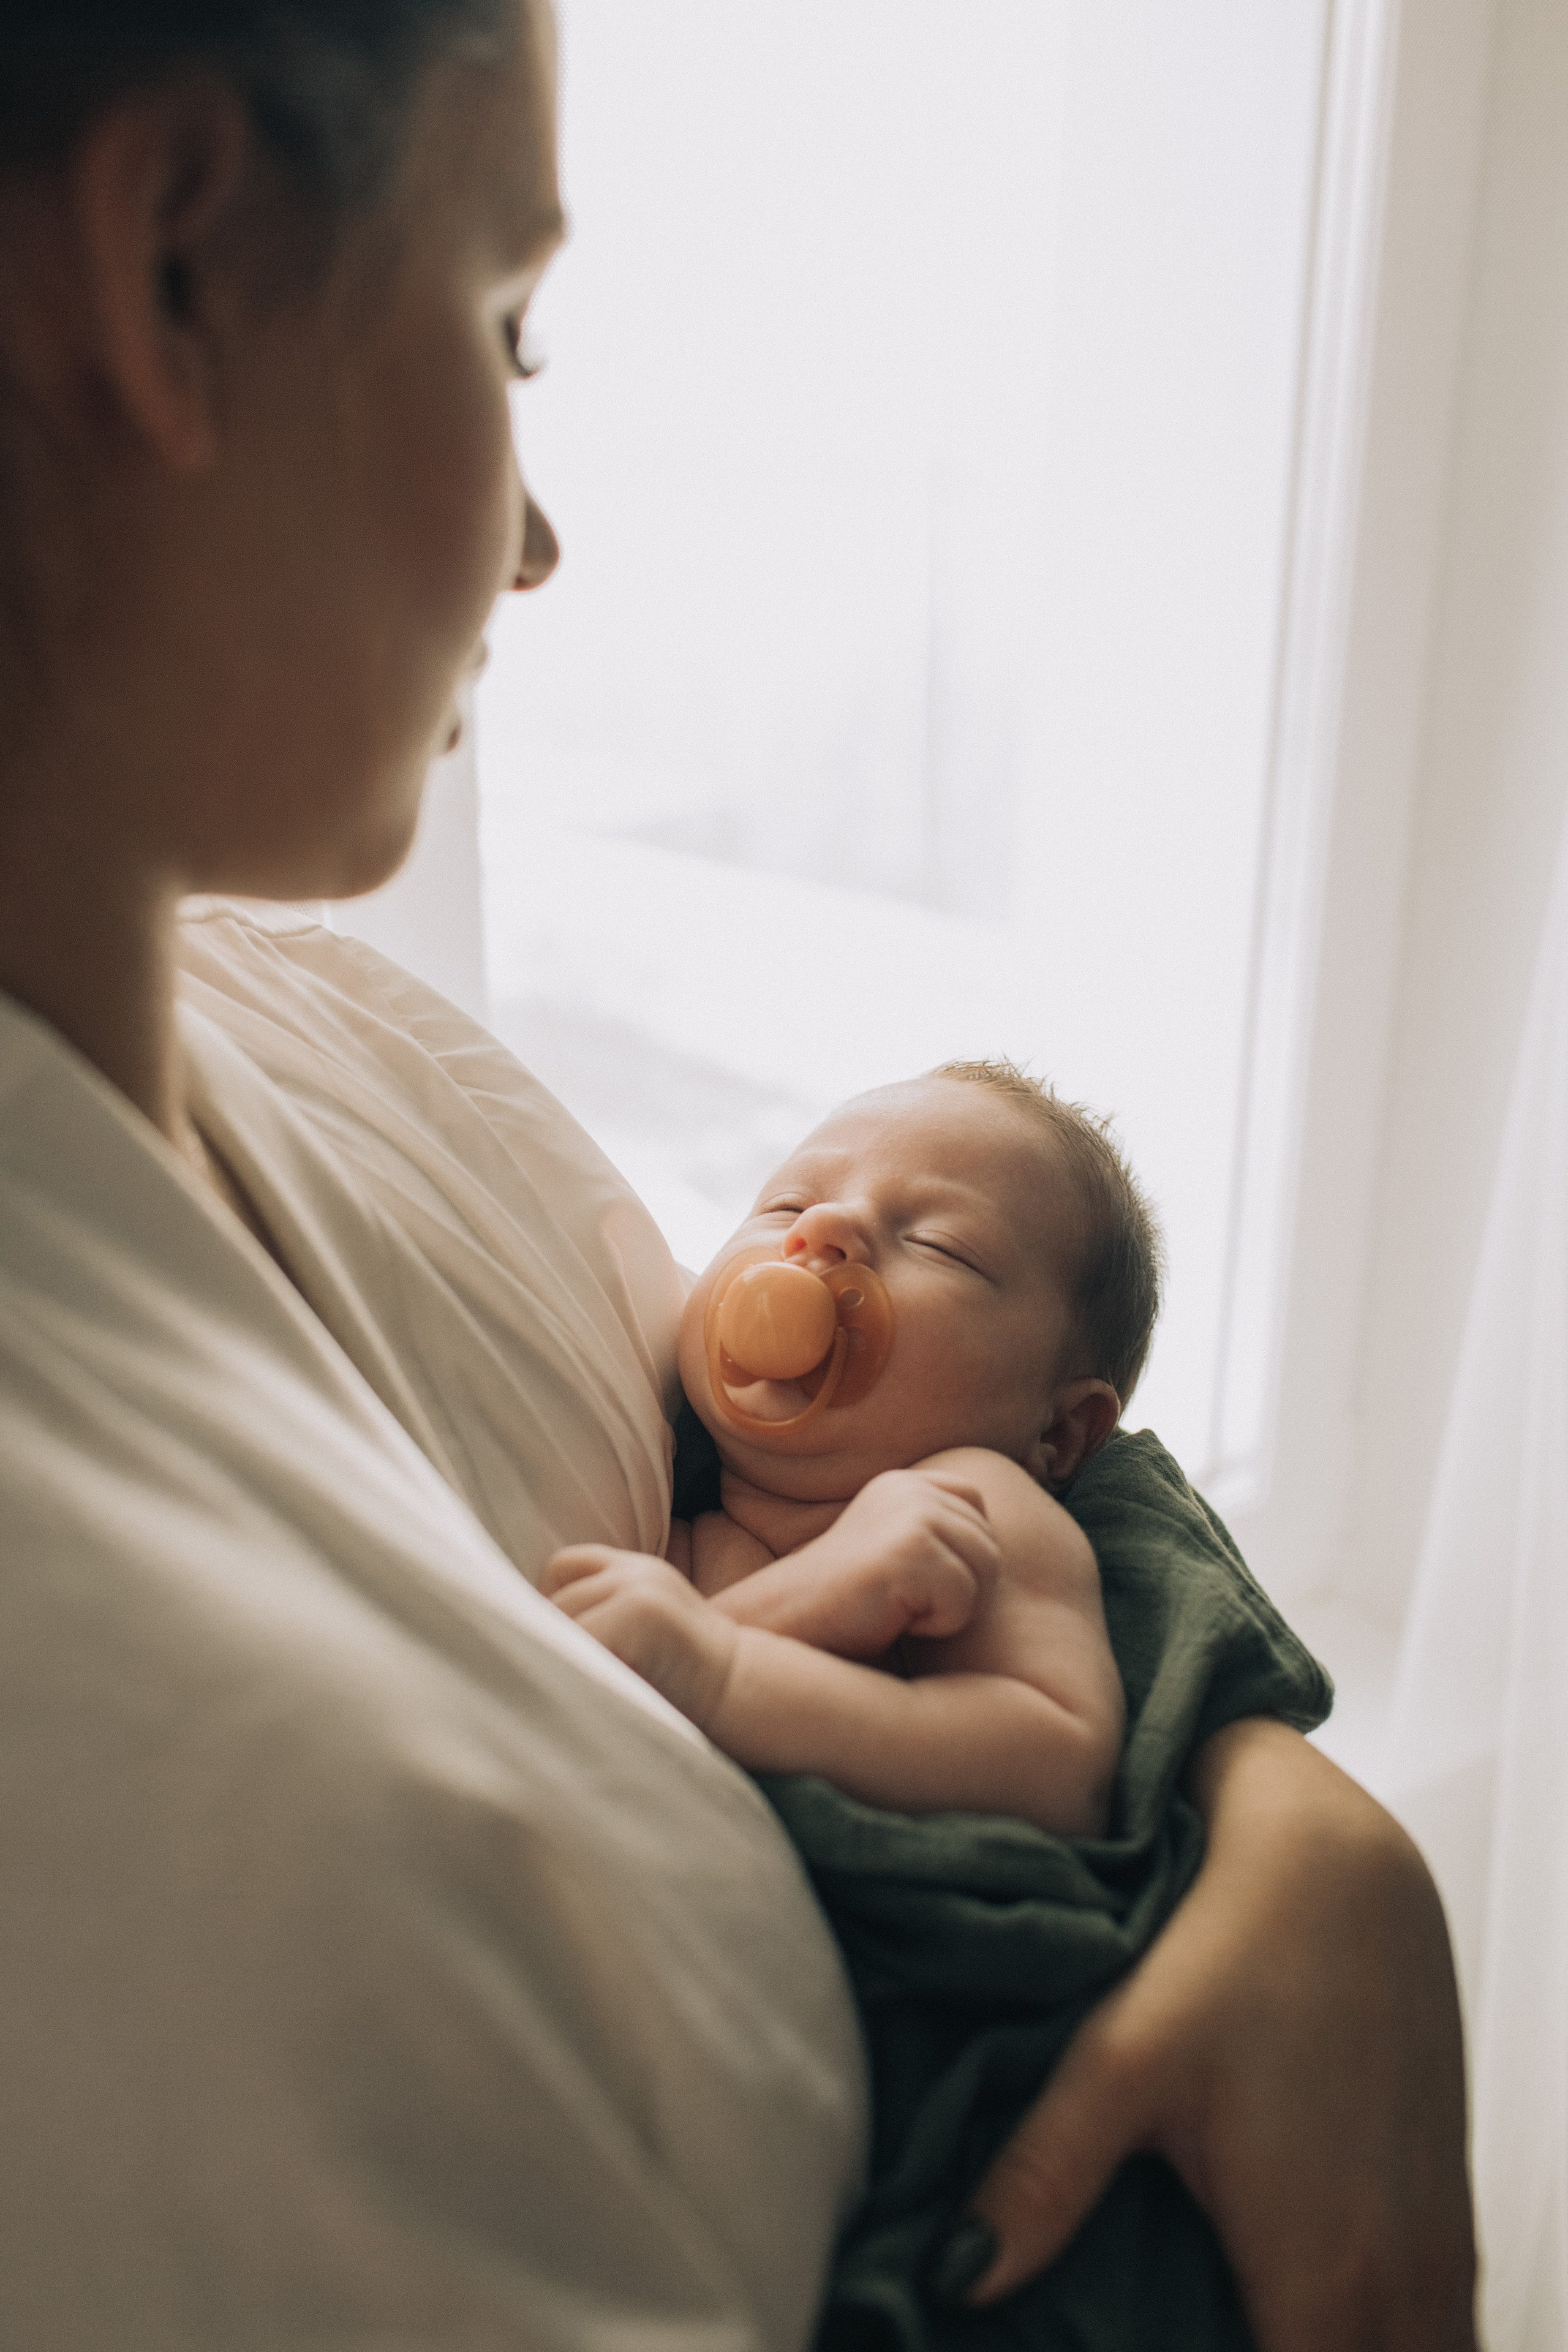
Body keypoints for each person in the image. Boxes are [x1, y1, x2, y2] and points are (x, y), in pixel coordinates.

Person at [0, 2, 1479, 2348]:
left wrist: (1286, 1807)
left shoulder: (306, 1006)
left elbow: (991, 1483)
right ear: (172, 270)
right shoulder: (189, 1829)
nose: (543, 536)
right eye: (509, 324)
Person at [545, 1066, 1143, 1835]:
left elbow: (1060, 1771)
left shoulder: (972, 1499)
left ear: (1055, 1433)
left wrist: (723, 1672)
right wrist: (720, 1641)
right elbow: (639, 1694)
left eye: (939, 1244)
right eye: (787, 1205)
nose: (822, 1229)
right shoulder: (669, 1514)